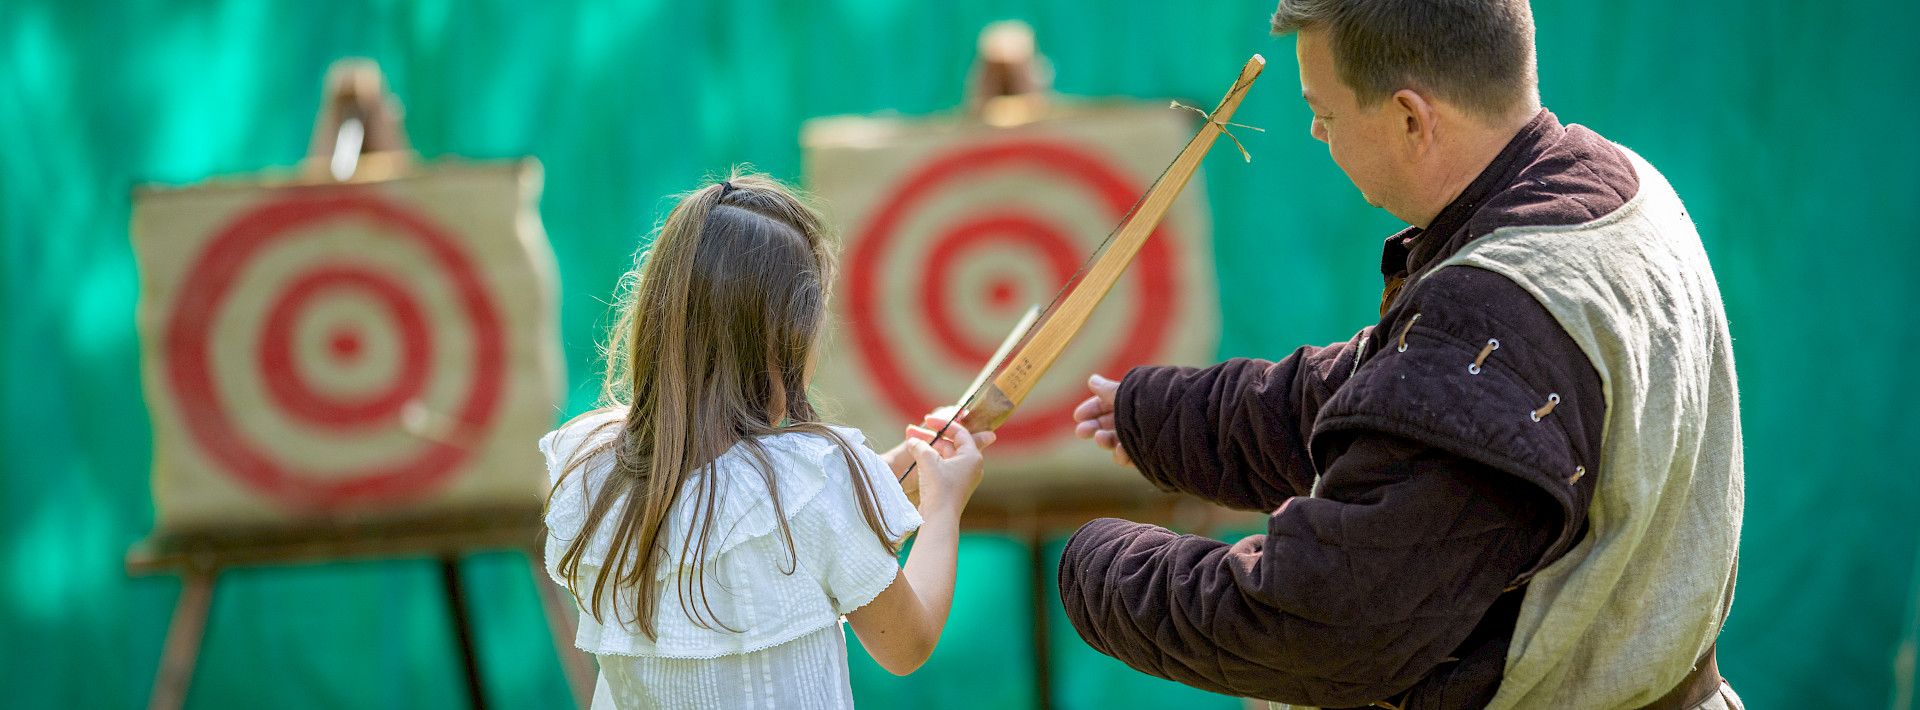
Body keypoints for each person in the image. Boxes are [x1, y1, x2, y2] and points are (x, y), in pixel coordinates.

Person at [1058, 1, 1743, 709]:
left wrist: (1096, 564)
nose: (1316, 131)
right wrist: (1159, 415)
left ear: (1411, 118)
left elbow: (1324, 623)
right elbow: (1399, 399)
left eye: (1325, 112)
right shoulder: (1610, 187)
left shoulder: (1495, 312)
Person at [539, 172, 995, 709]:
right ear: (787, 337)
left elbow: (745, 523)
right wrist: (944, 506)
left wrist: (888, 474)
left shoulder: (591, 467)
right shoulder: (817, 477)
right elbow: (906, 644)